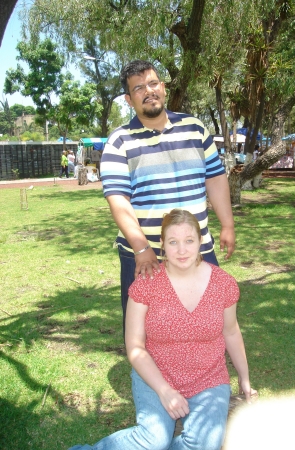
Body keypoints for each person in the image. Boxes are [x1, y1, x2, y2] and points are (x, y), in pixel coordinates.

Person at [68, 209, 255, 450]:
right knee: (153, 440)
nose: (182, 250)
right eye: (173, 242)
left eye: (189, 241)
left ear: (200, 241)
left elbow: (231, 332)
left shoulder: (223, 284)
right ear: (163, 246)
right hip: (156, 375)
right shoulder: (147, 284)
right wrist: (164, 391)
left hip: (209, 378)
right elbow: (135, 347)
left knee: (204, 443)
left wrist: (244, 378)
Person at [100, 60, 235, 333]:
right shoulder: (119, 141)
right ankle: (149, 377)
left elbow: (216, 178)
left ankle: (202, 372)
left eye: (152, 84)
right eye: (138, 88)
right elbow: (118, 200)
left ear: (163, 87)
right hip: (145, 255)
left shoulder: (195, 129)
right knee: (145, 330)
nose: (148, 91)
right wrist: (141, 249)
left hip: (198, 248)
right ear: (129, 99)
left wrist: (228, 224)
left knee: (207, 322)